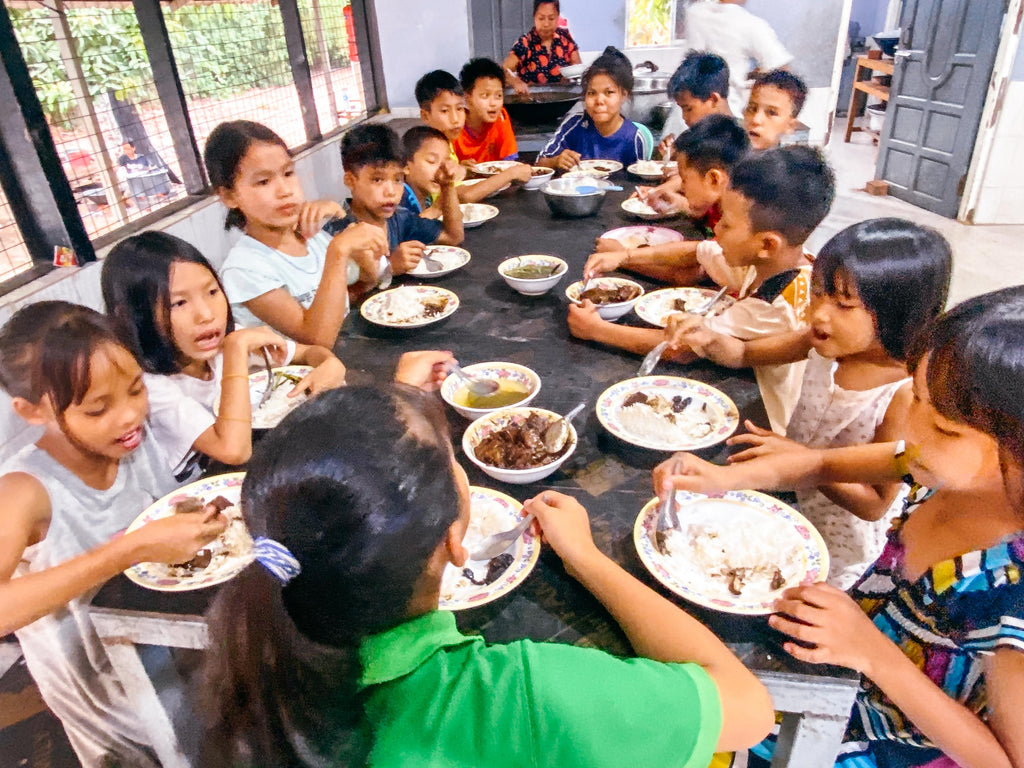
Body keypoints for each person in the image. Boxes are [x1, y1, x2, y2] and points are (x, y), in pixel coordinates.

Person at [198, 383, 774, 767]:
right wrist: (590, 561)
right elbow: (747, 708)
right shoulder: (525, 694)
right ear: (453, 540)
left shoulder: (255, 663)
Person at [654, 286, 1024, 768]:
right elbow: (822, 465)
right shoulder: (936, 464)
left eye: (946, 429)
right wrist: (723, 479)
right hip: (836, 662)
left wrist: (874, 655)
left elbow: (1004, 760)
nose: (911, 432)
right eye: (917, 401)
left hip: (863, 741)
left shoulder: (1011, 592)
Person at [0, 301, 227, 767]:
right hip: (110, 693)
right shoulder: (24, 491)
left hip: (171, 648)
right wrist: (125, 551)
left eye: (135, 390)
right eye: (97, 408)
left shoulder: (128, 442)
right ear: (31, 411)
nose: (128, 417)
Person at [668, 219, 953, 588]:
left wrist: (799, 459)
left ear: (900, 315)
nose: (820, 312)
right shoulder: (818, 340)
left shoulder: (900, 394)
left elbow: (874, 504)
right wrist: (706, 336)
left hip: (841, 542)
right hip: (794, 497)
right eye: (818, 293)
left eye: (844, 305)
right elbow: (742, 353)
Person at [572, 146, 834, 434]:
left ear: (767, 244)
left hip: (772, 425)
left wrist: (596, 330)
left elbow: (682, 350)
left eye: (727, 224)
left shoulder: (775, 305)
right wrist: (625, 257)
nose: (716, 229)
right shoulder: (779, 260)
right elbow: (700, 250)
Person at [102, 231, 347, 481]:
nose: (206, 314)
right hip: (187, 490)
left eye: (211, 292)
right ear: (136, 316)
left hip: (235, 471)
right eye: (179, 303)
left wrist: (330, 364)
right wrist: (236, 354)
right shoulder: (149, 386)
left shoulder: (225, 342)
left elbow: (309, 353)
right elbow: (233, 451)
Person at [206, 120, 389, 346]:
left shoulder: (313, 237)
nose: (284, 190)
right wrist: (339, 251)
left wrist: (365, 267)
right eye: (263, 182)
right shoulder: (244, 269)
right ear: (229, 196)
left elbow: (347, 298)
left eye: (288, 173)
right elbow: (317, 339)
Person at [583, 114, 749, 287]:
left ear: (714, 179)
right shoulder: (725, 203)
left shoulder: (740, 224)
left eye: (684, 180)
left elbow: (685, 274)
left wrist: (622, 256)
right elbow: (700, 245)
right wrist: (678, 203)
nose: (682, 188)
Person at [324, 123, 463, 281]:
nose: (391, 191)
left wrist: (447, 185)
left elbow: (453, 236)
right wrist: (388, 267)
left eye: (397, 179)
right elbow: (333, 298)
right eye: (377, 179)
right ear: (351, 180)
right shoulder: (336, 235)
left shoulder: (399, 218)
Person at [538, 47, 655, 170]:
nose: (599, 101)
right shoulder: (574, 125)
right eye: (592, 93)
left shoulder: (633, 137)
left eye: (609, 92)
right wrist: (555, 161)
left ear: (624, 95)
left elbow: (640, 181)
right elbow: (540, 163)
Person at [683, 0, 793, 116]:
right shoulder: (750, 24)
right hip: (726, 113)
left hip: (687, 110)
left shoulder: (695, 13)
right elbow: (783, 72)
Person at [403, 125, 530, 209]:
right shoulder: (402, 199)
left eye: (446, 162)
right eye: (432, 161)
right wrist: (510, 174)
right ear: (405, 166)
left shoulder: (425, 195)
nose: (443, 170)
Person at [659, 50, 734, 160]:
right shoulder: (689, 139)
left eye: (688, 109)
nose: (684, 117)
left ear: (713, 100)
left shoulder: (739, 142)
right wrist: (671, 155)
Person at [504, 0, 582, 96]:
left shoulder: (565, 39)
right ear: (534, 17)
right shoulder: (525, 42)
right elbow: (503, 70)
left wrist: (570, 78)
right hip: (531, 102)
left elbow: (577, 68)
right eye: (541, 18)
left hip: (562, 100)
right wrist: (516, 82)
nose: (546, 24)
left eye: (551, 18)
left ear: (558, 17)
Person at [453, 58, 519, 164]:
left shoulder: (501, 117)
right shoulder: (455, 123)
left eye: (498, 96)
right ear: (467, 97)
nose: (493, 103)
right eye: (485, 96)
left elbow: (510, 162)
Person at [744, 69, 806, 150]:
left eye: (771, 113)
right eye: (752, 108)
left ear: (790, 126)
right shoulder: (724, 157)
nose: (756, 120)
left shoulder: (790, 162)